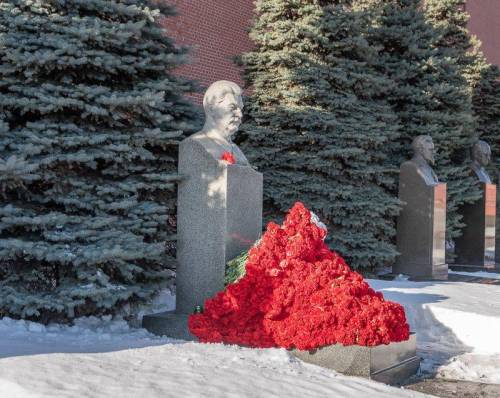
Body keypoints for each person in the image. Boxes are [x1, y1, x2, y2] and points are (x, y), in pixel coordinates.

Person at [189, 80, 249, 165]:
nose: (240, 115)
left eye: (241, 109)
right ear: (211, 108)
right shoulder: (196, 143)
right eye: (232, 107)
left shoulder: (238, 152)